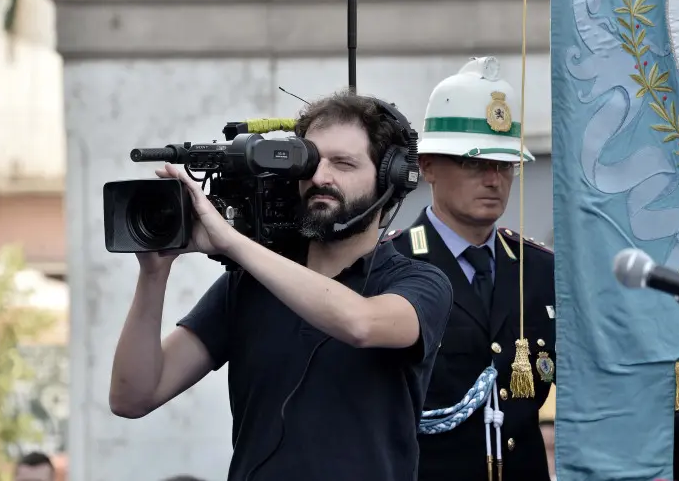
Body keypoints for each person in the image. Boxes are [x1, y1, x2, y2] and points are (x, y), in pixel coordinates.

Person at [386, 57, 679, 481]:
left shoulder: (542, 271)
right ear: (429, 165)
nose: (493, 179)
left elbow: (607, 391)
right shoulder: (390, 268)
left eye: (505, 164)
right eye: (475, 163)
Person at [108, 91, 453, 481]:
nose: (320, 177)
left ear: (390, 178)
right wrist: (154, 274)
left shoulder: (420, 282)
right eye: (311, 161)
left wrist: (233, 243)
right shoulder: (248, 284)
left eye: (343, 163)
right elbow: (132, 396)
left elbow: (361, 323)